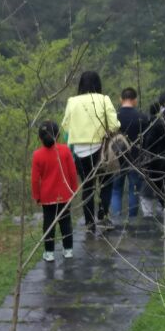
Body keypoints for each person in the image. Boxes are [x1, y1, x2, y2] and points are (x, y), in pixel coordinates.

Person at [61, 71, 120, 233]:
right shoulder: (103, 99)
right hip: (101, 150)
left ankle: (89, 222)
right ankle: (103, 215)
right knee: (106, 182)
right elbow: (114, 125)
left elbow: (65, 125)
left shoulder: (72, 102)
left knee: (87, 186)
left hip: (79, 152)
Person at [31, 120, 79, 261]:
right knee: (65, 222)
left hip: (47, 196)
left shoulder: (37, 155)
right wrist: (73, 190)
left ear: (40, 138)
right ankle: (68, 250)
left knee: (48, 223)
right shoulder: (65, 150)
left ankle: (49, 252)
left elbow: (34, 180)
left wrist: (37, 196)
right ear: (58, 135)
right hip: (64, 194)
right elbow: (72, 172)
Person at [109, 87, 148, 221]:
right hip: (136, 159)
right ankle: (131, 221)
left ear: (121, 99)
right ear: (135, 100)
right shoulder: (142, 117)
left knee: (116, 190)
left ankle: (116, 221)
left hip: (116, 159)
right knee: (134, 190)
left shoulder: (114, 117)